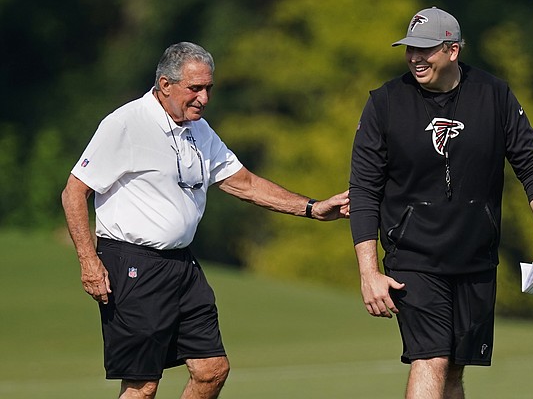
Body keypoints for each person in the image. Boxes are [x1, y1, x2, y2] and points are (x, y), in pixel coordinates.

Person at [61, 41, 349, 399]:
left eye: (208, 88)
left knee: (212, 370)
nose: (204, 98)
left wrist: (311, 208)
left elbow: (242, 182)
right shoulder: (125, 123)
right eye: (194, 88)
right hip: (132, 264)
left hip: (182, 266)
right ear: (165, 84)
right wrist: (89, 262)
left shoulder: (199, 129)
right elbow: (74, 191)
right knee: (143, 385)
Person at [349, 7, 533, 399]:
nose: (414, 57)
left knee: (453, 371)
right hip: (413, 257)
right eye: (409, 48)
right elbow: (363, 189)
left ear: (452, 50)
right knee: (431, 359)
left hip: (475, 258)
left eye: (425, 49)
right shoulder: (385, 103)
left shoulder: (494, 95)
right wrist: (368, 270)